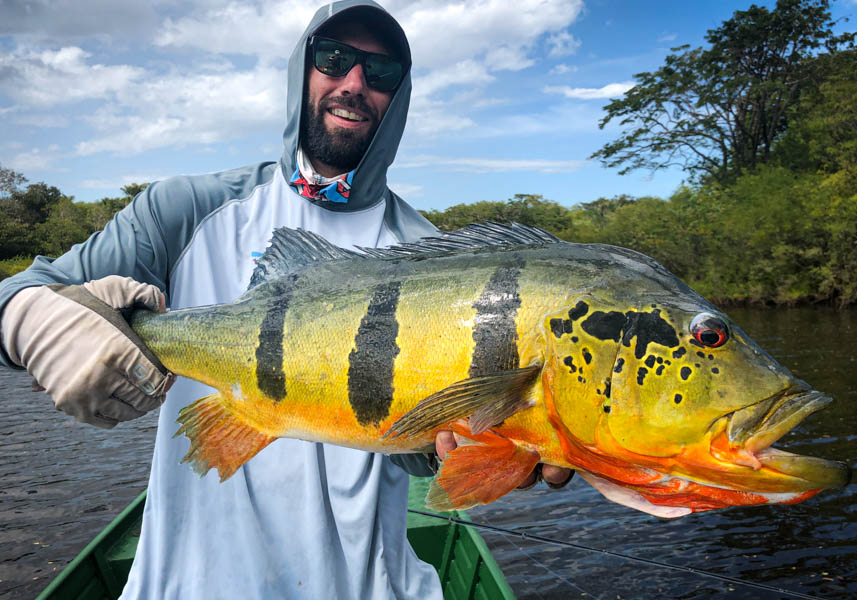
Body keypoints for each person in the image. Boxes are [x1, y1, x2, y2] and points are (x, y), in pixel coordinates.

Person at [0, 1, 570, 597]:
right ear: (302, 70)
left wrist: (493, 447)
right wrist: (35, 322)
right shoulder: (184, 210)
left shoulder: (438, 256)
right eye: (335, 60)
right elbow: (18, 294)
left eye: (380, 73)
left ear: (399, 96)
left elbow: (414, 455)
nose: (354, 84)